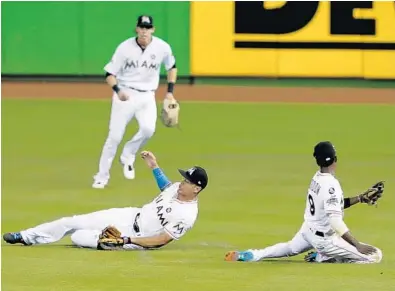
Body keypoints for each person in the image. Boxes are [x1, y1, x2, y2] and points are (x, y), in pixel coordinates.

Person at [3, 151, 208, 251]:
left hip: (136, 237)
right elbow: (165, 186)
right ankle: (25, 236)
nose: (182, 182)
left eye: (187, 181)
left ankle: (104, 243)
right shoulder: (176, 189)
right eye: (183, 178)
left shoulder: (187, 216)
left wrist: (126, 240)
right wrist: (154, 166)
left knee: (78, 238)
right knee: (74, 221)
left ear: (196, 189)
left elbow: (162, 240)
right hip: (128, 214)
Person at [224, 141, 384, 264]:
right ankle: (322, 257)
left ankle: (252, 255)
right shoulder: (331, 185)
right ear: (335, 159)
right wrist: (357, 245)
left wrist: (360, 198)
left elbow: (330, 206)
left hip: (308, 231)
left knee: (288, 248)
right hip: (325, 240)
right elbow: (335, 220)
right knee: (374, 256)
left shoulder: (317, 178)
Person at [92, 15, 178, 188]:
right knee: (114, 137)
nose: (145, 31)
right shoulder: (124, 48)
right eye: (142, 28)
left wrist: (169, 93)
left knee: (148, 129)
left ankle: (128, 155)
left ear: (153, 29)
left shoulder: (162, 47)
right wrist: (118, 91)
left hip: (147, 95)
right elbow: (109, 74)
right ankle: (101, 176)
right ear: (137, 29)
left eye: (148, 28)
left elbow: (172, 67)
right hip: (125, 94)